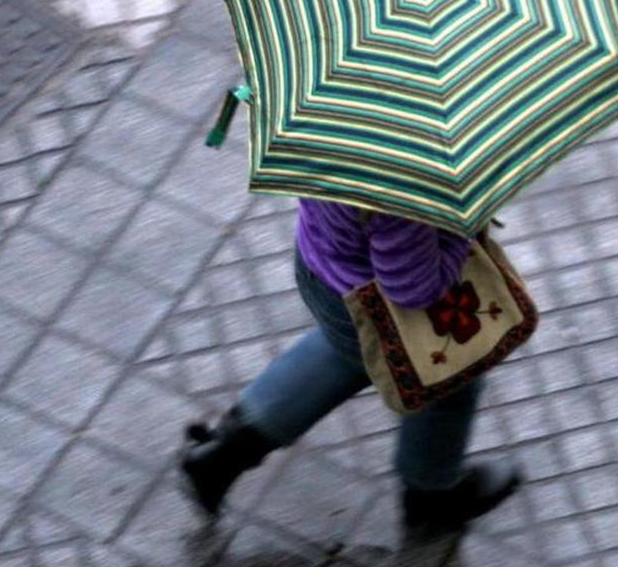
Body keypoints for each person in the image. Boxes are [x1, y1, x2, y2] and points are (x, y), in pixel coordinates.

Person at [179, 198, 521, 533]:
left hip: (326, 263)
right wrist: (463, 235)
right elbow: (413, 289)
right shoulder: (400, 191)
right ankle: (431, 493)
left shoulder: (348, 151)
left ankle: (222, 454)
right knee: (450, 379)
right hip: (375, 297)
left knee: (346, 352)